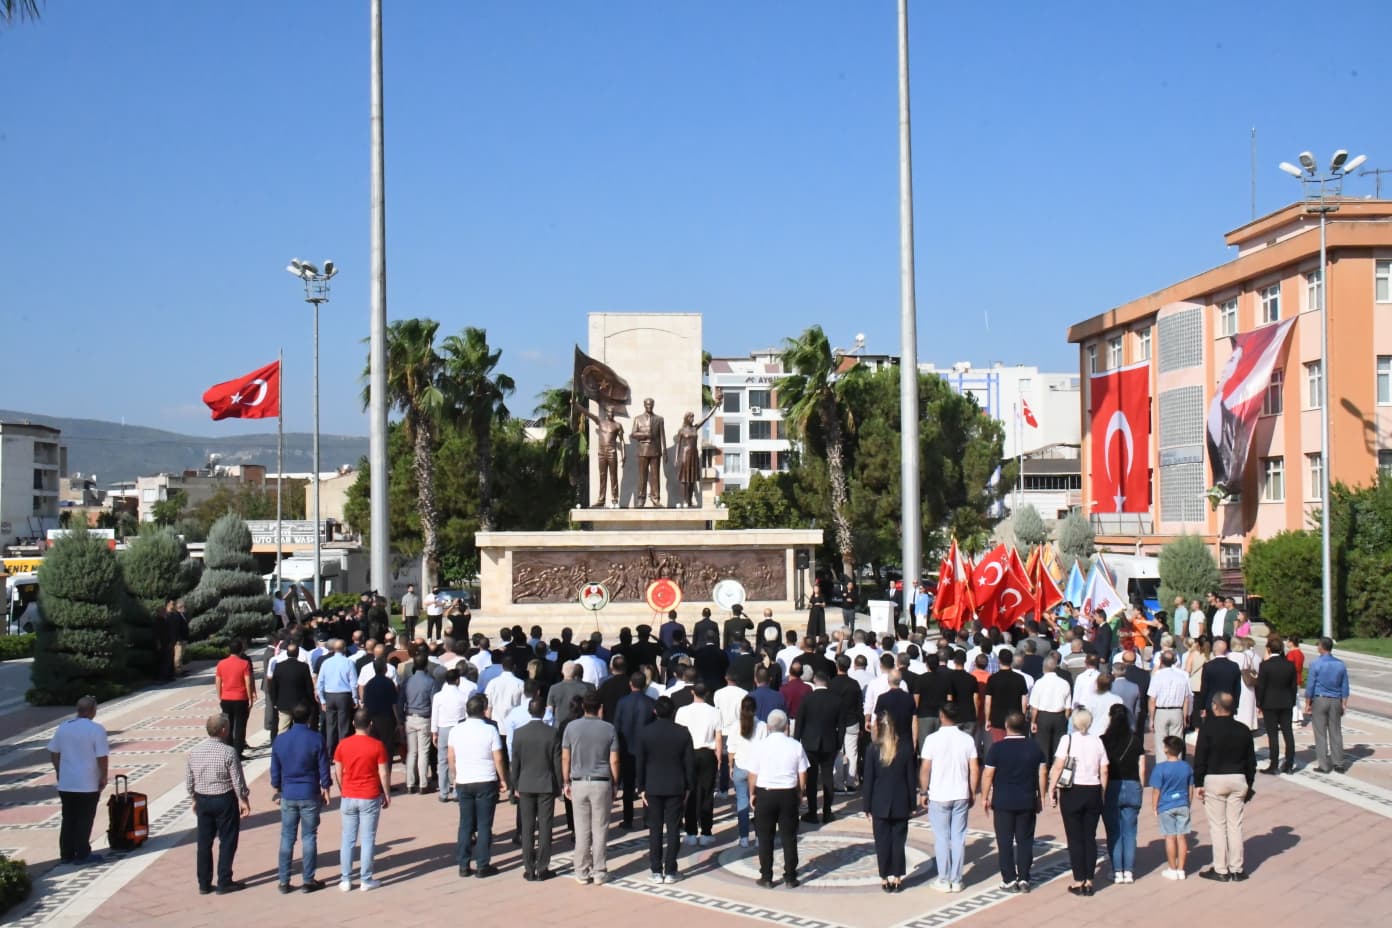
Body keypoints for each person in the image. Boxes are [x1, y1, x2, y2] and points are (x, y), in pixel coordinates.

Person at [981, 711, 1047, 893]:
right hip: (1026, 800)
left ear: (1006, 726)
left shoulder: (997, 748)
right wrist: (1041, 796)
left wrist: (984, 796)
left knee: (1005, 840)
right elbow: (1042, 773)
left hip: (1003, 801)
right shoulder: (1034, 748)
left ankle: (1009, 879)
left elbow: (988, 774)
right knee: (1025, 840)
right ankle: (1024, 877)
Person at [186, 713, 252, 894]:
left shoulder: (195, 752)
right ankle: (224, 880)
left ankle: (204, 883)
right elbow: (237, 780)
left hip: (203, 799)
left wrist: (194, 798)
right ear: (223, 730)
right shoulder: (228, 752)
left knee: (204, 842)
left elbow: (189, 780)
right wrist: (244, 799)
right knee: (228, 840)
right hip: (224, 799)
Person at [1194, 693, 1256, 881]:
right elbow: (1250, 762)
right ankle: (1237, 868)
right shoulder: (1243, 729)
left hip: (1215, 778)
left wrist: (1198, 782)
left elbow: (1200, 758)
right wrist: (1249, 784)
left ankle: (1221, 869)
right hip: (1238, 778)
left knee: (1218, 826)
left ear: (1215, 706)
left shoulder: (1207, 729)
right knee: (1235, 825)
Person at [270, 702, 331, 893]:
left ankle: (283, 880)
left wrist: (278, 787)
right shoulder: (316, 738)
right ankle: (308, 880)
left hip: (288, 793)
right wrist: (326, 788)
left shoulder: (280, 740)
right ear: (309, 718)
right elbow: (324, 767)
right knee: (309, 836)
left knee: (287, 837)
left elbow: (275, 770)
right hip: (309, 792)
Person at [1047, 707, 1108, 896]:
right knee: (1089, 836)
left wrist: (1052, 788)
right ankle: (1089, 879)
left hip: (1073, 789)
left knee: (1074, 838)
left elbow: (1058, 766)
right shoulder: (1097, 740)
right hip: (1093, 788)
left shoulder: (1068, 739)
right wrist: (1102, 792)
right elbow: (1104, 769)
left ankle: (1079, 878)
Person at [918, 703, 979, 893]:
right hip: (960, 792)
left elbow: (925, 768)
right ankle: (957, 879)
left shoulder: (932, 739)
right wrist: (972, 790)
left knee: (942, 837)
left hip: (939, 794)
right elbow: (974, 768)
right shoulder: (967, 739)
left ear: (941, 716)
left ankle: (944, 879)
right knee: (958, 837)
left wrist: (923, 791)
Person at [746, 709, 809, 888]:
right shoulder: (795, 745)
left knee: (765, 837)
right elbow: (802, 772)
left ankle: (766, 876)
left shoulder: (760, 745)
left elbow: (753, 773)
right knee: (789, 836)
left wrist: (752, 792)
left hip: (765, 792)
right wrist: (800, 791)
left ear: (768, 726)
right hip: (788, 792)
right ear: (786, 726)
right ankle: (790, 876)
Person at [562, 691, 620, 884]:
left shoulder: (571, 727)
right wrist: (615, 782)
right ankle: (600, 870)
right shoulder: (609, 729)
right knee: (600, 828)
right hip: (601, 781)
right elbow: (614, 760)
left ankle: (581, 870)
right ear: (600, 708)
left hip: (579, 781)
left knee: (581, 829)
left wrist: (565, 781)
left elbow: (565, 757)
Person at [636, 696, 696, 882]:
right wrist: (689, 786)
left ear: (655, 711)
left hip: (652, 785)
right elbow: (689, 763)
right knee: (673, 829)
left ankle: (655, 870)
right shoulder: (683, 733)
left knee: (655, 829)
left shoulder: (646, 733)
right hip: (675, 785)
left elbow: (640, 762)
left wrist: (641, 787)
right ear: (673, 712)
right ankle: (670, 870)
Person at [449, 693, 507, 877]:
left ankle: (463, 864)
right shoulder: (490, 730)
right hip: (486, 779)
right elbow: (498, 757)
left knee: (465, 824)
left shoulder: (456, 730)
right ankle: (483, 864)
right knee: (484, 824)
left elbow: (451, 756)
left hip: (464, 780)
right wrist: (503, 778)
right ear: (483, 711)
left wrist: (455, 775)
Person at [46, 696, 109, 866]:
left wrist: (59, 770)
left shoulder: (63, 727)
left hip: (66, 782)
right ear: (92, 710)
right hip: (87, 782)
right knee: (84, 818)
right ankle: (82, 853)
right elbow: (102, 756)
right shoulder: (96, 729)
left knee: (68, 818)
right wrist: (103, 776)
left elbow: (54, 752)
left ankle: (66, 854)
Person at [334, 709, 391, 891]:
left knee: (348, 839)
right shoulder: (377, 746)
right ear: (370, 725)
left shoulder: (343, 745)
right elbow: (383, 772)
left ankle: (346, 878)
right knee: (367, 839)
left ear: (353, 724)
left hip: (349, 795)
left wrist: (343, 789)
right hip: (369, 795)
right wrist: (386, 793)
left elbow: (338, 770)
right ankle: (366, 879)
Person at [862, 708, 917, 893]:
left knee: (882, 842)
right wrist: (912, 803)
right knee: (898, 842)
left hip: (879, 803)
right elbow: (911, 779)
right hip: (901, 802)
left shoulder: (872, 749)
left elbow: (868, 780)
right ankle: (897, 877)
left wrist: (866, 806)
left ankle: (884, 877)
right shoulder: (906, 749)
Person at [511, 697, 561, 881]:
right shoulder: (552, 733)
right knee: (546, 826)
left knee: (527, 827)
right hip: (546, 783)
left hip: (525, 784)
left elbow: (514, 762)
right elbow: (556, 762)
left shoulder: (519, 733)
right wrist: (560, 784)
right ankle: (542, 867)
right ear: (543, 712)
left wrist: (514, 785)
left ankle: (528, 867)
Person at [1100, 703, 1145, 884]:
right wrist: (1140, 787)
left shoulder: (1103, 740)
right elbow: (1141, 767)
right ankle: (1129, 871)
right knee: (1130, 831)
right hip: (1132, 784)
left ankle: (1117, 870)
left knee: (1114, 831)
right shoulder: (1135, 740)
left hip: (1112, 786)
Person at [675, 682, 723, 845]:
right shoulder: (715, 712)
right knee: (707, 793)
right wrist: (719, 758)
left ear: (692, 692)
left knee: (690, 792)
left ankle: (690, 832)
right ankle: (706, 832)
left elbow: (679, 734)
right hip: (708, 753)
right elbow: (718, 738)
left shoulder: (683, 711)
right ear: (707, 693)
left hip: (689, 752)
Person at [612, 671, 656, 829]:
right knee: (646, 785)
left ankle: (628, 818)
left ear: (631, 684)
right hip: (645, 748)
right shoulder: (651, 702)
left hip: (626, 748)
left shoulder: (622, 702)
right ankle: (648, 819)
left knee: (628, 786)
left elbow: (616, 726)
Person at [796, 670, 841, 825]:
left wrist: (796, 741)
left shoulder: (807, 698)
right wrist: (839, 743)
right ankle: (827, 812)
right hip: (830, 743)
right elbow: (841, 726)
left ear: (815, 681)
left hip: (809, 742)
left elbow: (800, 722)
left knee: (812, 778)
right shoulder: (836, 699)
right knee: (828, 777)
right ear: (827, 681)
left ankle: (813, 812)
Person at [1150, 735, 1195, 880]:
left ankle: (1172, 868)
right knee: (1181, 837)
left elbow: (1156, 790)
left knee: (1170, 837)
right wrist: (1189, 802)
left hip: (1166, 805)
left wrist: (1154, 806)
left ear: (1166, 749)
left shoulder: (1160, 768)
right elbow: (1190, 787)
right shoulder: (1186, 767)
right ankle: (1181, 869)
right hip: (1183, 803)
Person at [725, 695, 766, 848]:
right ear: (755, 709)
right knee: (758, 803)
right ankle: (759, 838)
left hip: (740, 767)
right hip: (757, 770)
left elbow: (731, 749)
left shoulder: (736, 725)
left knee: (742, 802)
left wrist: (730, 766)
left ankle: (743, 837)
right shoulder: (762, 725)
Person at [1306, 636, 1350, 773]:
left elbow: (1310, 686)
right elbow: (1345, 686)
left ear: (1321, 647)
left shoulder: (1316, 664)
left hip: (1320, 699)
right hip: (1336, 700)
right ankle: (1339, 763)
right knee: (1336, 731)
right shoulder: (1340, 664)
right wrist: (1344, 703)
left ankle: (1324, 765)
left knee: (1320, 733)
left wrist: (1308, 703)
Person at [1256, 638, 1298, 774]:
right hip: (1286, 703)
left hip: (1270, 703)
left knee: (1272, 735)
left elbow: (1261, 687)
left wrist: (1259, 703)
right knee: (1288, 733)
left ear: (1268, 649)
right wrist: (1292, 701)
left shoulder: (1265, 666)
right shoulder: (1290, 665)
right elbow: (1293, 687)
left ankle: (1274, 765)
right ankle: (1289, 764)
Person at [316, 639, 360, 760]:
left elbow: (320, 682)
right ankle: (343, 752)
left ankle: (330, 753)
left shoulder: (326, 663)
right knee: (344, 725)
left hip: (330, 695)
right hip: (344, 695)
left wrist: (323, 700)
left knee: (330, 725)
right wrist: (355, 698)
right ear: (344, 648)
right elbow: (353, 682)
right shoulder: (348, 662)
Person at [673, 396, 720, 507]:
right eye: (691, 417)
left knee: (692, 480)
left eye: (693, 418)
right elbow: (678, 445)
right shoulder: (682, 430)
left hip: (694, 455)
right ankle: (684, 500)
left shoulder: (695, 428)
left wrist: (715, 407)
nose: (693, 419)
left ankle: (689, 501)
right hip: (685, 455)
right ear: (686, 418)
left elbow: (706, 418)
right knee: (685, 480)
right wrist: (676, 458)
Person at [214, 639, 255, 758]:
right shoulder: (244, 663)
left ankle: (228, 751)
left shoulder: (221, 663)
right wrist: (250, 697)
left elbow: (218, 681)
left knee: (228, 725)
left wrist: (220, 696)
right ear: (241, 649)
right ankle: (238, 752)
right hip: (241, 698)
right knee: (240, 726)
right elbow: (247, 681)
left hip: (226, 698)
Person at [1028, 655, 1072, 762]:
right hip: (1060, 717)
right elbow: (1068, 707)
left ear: (1043, 667)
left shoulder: (1039, 683)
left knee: (1042, 747)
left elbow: (1034, 706)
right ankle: (1056, 771)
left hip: (1043, 717)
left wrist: (1033, 721)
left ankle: (1043, 770)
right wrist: (1065, 719)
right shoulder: (1064, 683)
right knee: (1058, 747)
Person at [1148, 649, 1191, 757]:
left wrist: (1151, 719)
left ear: (1161, 661)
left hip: (1161, 711)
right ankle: (1177, 766)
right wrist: (1185, 716)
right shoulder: (1182, 676)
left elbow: (1152, 699)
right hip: (1177, 711)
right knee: (1177, 742)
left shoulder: (1157, 676)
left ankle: (1162, 768)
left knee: (1161, 743)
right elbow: (1186, 699)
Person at [269, 641, 316, 738]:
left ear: (287, 653)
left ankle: (281, 748)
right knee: (301, 727)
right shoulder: (303, 666)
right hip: (300, 704)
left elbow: (274, 686)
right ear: (298, 653)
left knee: (283, 728)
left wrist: (274, 701)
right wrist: (311, 701)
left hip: (283, 703)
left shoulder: (279, 666)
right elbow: (309, 686)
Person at [631, 396, 667, 507]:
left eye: (651, 405)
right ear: (644, 405)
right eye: (647, 404)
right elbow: (633, 434)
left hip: (655, 451)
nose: (649, 406)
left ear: (653, 405)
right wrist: (645, 435)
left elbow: (662, 435)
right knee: (642, 476)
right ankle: (641, 499)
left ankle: (655, 498)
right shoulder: (638, 419)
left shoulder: (659, 419)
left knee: (655, 476)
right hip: (642, 451)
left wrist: (664, 450)